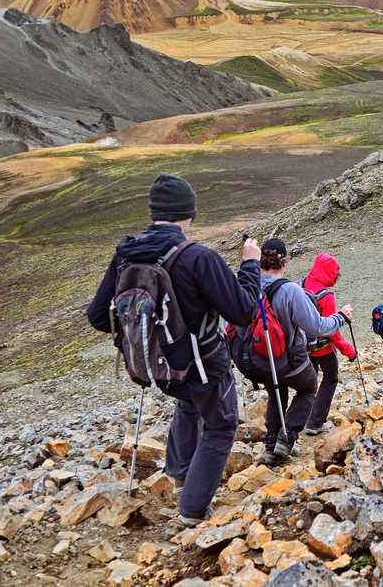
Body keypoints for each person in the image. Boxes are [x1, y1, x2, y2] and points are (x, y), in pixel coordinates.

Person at [87, 173, 261, 527]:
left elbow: (98, 317)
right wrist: (250, 265)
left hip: (159, 366)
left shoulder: (125, 256)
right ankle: (193, 510)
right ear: (188, 214)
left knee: (187, 404)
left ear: (155, 213)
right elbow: (243, 311)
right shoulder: (197, 257)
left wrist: (144, 333)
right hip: (202, 364)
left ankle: (181, 478)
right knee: (221, 426)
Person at [254, 239, 352, 461]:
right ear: (284, 262)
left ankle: (271, 446)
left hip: (260, 357)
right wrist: (341, 317)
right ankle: (286, 438)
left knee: (276, 393)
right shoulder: (291, 290)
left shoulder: (251, 285)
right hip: (287, 355)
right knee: (308, 388)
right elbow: (318, 326)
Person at [300, 253, 357, 435]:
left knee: (309, 382)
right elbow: (331, 330)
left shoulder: (298, 285)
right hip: (323, 348)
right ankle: (315, 423)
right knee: (330, 378)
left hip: (301, 346)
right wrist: (349, 351)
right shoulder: (326, 296)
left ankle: (301, 419)